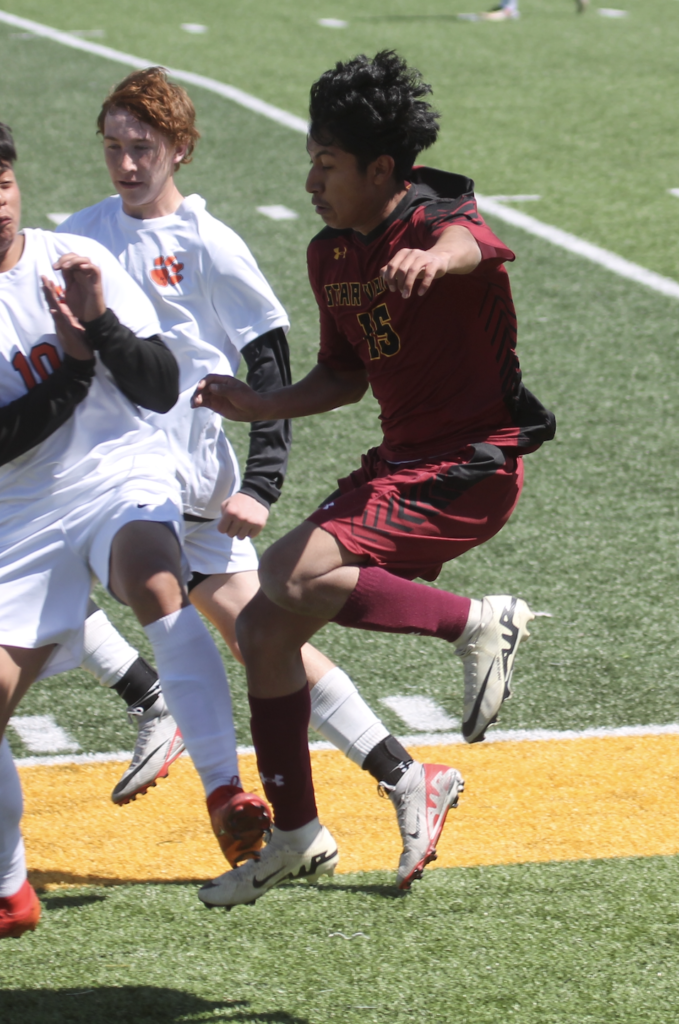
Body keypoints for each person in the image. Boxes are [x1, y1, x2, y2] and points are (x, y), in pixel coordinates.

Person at [58, 67, 465, 894]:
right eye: (113, 147)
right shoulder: (79, 234)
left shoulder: (209, 242)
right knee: (260, 638)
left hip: (187, 474)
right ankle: (406, 775)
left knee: (44, 568)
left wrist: (263, 483)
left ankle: (153, 700)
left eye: (143, 147)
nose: (127, 163)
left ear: (181, 148)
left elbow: (268, 365)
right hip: (128, 468)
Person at [0, 112, 268, 976]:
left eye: (3, 181)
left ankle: (224, 792)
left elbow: (160, 386)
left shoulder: (76, 259)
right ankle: (7, 895)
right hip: (21, 517)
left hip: (119, 473)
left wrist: (100, 327)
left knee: (156, 581)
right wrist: (70, 368)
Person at [193, 51, 556, 907]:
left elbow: (474, 242)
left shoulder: (436, 217)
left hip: (474, 462)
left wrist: (439, 261)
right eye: (311, 160)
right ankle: (297, 833)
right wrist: (261, 403)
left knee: (286, 572)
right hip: (401, 462)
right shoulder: (330, 254)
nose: (311, 181)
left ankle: (479, 622)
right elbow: (345, 375)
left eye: (327, 163)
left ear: (382, 169)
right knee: (263, 631)